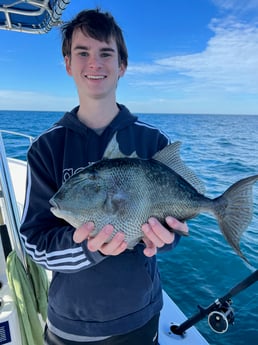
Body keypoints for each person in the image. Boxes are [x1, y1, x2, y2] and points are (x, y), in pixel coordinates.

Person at [20, 8, 188, 345]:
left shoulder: (152, 141)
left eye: (105, 53)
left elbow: (176, 224)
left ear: (121, 66)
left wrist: (169, 238)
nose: (94, 62)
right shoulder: (46, 148)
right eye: (82, 52)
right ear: (68, 64)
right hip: (73, 323)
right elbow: (35, 241)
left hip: (142, 314)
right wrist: (90, 249)